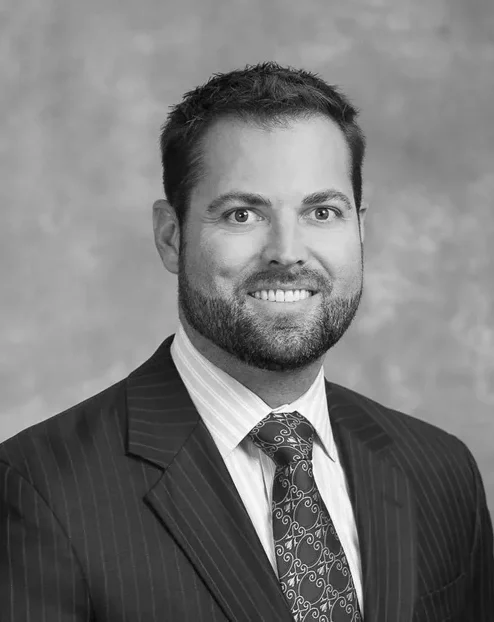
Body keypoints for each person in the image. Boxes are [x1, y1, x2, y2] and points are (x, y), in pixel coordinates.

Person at [1, 61, 493, 622]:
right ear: (170, 236)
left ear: (360, 229)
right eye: (242, 214)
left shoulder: (440, 471)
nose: (287, 252)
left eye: (322, 212)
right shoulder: (39, 488)